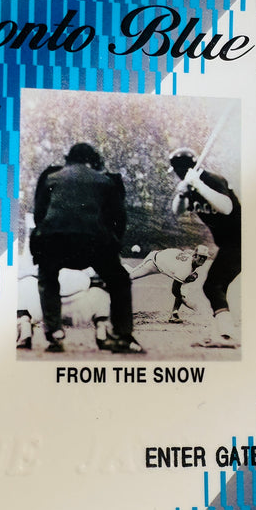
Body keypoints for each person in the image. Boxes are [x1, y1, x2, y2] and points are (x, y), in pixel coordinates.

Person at [30, 143, 144, 354]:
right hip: (93, 242)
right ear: (92, 161)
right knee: (119, 280)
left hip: (54, 240)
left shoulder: (51, 177)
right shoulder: (105, 180)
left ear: (68, 159)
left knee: (47, 278)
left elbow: (39, 215)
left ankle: (54, 332)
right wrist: (113, 248)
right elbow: (118, 220)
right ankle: (123, 335)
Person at [168, 147, 241, 347]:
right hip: (230, 244)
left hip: (241, 240)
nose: (176, 174)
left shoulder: (212, 180)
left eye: (176, 170)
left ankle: (226, 335)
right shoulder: (190, 187)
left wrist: (198, 184)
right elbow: (177, 211)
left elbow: (227, 208)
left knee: (213, 285)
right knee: (216, 286)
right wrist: (182, 192)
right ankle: (224, 333)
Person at [127, 244, 210, 323]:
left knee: (185, 283)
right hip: (154, 262)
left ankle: (174, 314)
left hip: (166, 262)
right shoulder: (185, 268)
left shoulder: (191, 261)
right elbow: (175, 290)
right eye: (200, 256)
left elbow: (187, 251)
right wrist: (191, 304)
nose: (202, 259)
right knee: (130, 276)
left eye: (205, 257)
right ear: (194, 256)